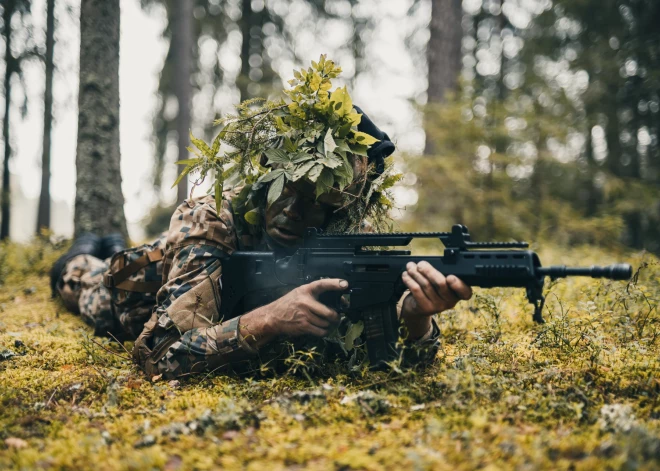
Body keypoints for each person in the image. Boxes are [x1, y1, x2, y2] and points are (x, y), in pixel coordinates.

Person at [51, 105, 472, 379]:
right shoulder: (212, 218)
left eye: (313, 203)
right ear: (267, 171)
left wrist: (418, 321)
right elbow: (158, 357)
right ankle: (88, 249)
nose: (291, 210)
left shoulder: (351, 240)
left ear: (340, 209)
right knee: (79, 276)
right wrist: (269, 319)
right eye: (283, 188)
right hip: (133, 296)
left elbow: (392, 363)